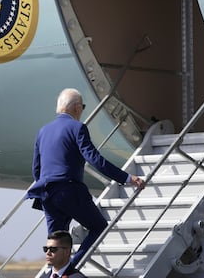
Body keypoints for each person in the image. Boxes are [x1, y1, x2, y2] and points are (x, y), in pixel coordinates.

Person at [27, 88, 145, 267]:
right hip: (69, 190)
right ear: (75, 107)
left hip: (46, 193)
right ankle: (70, 268)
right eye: (82, 106)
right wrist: (127, 178)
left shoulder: (43, 131)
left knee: (55, 242)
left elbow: (37, 169)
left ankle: (55, 272)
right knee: (98, 227)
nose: (82, 110)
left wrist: (47, 187)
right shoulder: (77, 127)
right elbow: (95, 159)